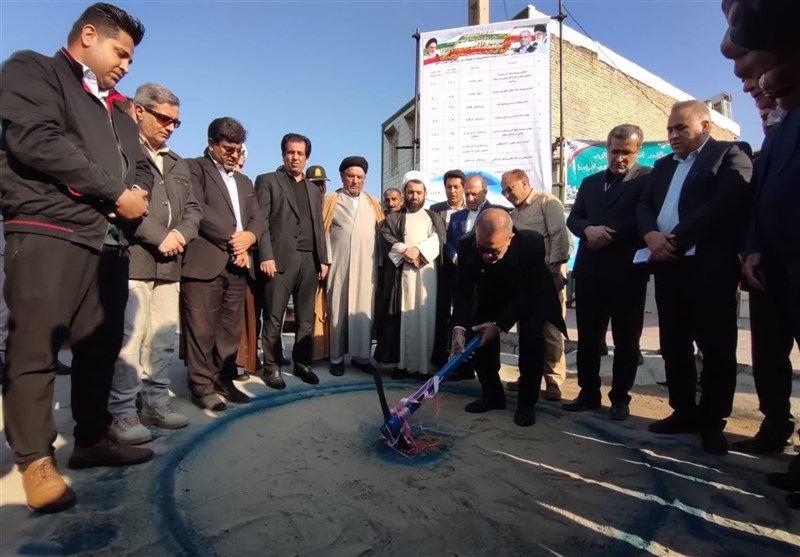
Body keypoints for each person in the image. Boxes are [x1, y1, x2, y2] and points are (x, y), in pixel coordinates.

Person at [0, 2, 152, 512]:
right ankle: (34, 458)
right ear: (88, 35)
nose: (126, 65)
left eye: (131, 59)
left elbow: (141, 168)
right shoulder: (34, 71)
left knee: (99, 347)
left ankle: (91, 439)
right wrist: (115, 191)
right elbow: (36, 141)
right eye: (121, 53)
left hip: (109, 241)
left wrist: (137, 193)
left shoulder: (119, 111)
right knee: (36, 346)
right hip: (50, 228)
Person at [636, 99, 753, 455]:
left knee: (716, 347)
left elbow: (724, 203)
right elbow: (643, 205)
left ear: (705, 126)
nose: (672, 135)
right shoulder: (662, 166)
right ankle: (683, 411)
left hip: (708, 268)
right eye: (669, 129)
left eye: (680, 128)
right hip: (667, 266)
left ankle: (712, 421)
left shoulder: (730, 154)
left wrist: (676, 239)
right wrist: (651, 236)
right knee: (674, 344)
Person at [720, 0, 800, 505]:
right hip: (768, 272)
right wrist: (750, 250)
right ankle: (775, 426)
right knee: (769, 355)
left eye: (759, 79)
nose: (755, 86)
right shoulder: (775, 134)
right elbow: (760, 202)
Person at [108, 83, 201, 443]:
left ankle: (156, 403)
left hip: (170, 264)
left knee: (162, 339)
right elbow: (120, 204)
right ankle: (123, 412)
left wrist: (179, 235)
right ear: (140, 111)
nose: (170, 127)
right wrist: (158, 236)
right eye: (164, 118)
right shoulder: (123, 152)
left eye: (176, 122)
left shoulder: (177, 163)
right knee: (130, 340)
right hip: (135, 260)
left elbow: (192, 209)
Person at [564, 124, 652, 420]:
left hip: (628, 274)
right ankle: (588, 393)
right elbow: (575, 218)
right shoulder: (590, 183)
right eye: (614, 152)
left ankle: (620, 398)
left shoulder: (648, 179)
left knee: (626, 340)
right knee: (589, 339)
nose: (619, 158)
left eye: (626, 152)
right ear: (607, 150)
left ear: (637, 151)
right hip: (590, 272)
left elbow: (646, 218)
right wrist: (588, 229)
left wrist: (609, 233)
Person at [451, 209, 565, 426]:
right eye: (482, 249)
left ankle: (527, 403)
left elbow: (528, 294)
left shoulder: (531, 244)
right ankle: (492, 395)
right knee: (477, 332)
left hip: (529, 295)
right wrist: (459, 328)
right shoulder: (466, 245)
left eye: (494, 251)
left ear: (510, 239)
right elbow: (463, 291)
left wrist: (498, 325)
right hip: (493, 293)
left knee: (532, 339)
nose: (486, 256)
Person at [181, 117, 264, 412]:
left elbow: (258, 217)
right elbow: (198, 209)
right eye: (229, 149)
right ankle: (201, 387)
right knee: (201, 330)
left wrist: (250, 237)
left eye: (239, 150)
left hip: (238, 267)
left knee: (229, 330)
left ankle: (223, 379)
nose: (234, 155)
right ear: (211, 144)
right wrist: (235, 241)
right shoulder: (193, 168)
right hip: (205, 262)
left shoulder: (244, 181)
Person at [255, 133, 329, 389]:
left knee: (305, 318)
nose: (295, 157)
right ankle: (272, 367)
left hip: (310, 260)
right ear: (283, 154)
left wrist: (323, 259)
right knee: (274, 317)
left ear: (307, 157)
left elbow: (318, 227)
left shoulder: (313, 189)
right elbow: (261, 222)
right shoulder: (268, 181)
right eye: (290, 152)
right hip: (279, 259)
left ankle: (302, 363)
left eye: (300, 153)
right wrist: (266, 255)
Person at [502, 169, 573, 401]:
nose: (507, 195)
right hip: (524, 279)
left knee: (550, 329)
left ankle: (553, 380)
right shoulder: (513, 213)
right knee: (526, 331)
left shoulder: (547, 202)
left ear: (524, 183)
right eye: (504, 192)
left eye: (510, 189)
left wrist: (555, 272)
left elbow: (559, 237)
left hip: (549, 276)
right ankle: (528, 376)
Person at [375, 171, 446, 379]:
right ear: (405, 193)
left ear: (425, 193)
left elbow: (439, 239)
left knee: (425, 317)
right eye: (411, 192)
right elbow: (386, 237)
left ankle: (424, 367)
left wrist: (419, 251)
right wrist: (407, 252)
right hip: (403, 274)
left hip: (426, 276)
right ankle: (403, 365)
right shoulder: (394, 217)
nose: (414, 196)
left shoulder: (433, 217)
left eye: (418, 192)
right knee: (403, 317)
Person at [322, 156, 384, 376]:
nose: (355, 181)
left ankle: (361, 357)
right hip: (338, 265)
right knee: (338, 309)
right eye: (350, 176)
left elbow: (381, 235)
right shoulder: (332, 200)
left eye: (359, 177)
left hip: (367, 268)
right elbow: (322, 233)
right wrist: (324, 261)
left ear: (364, 178)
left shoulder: (373, 202)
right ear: (342, 176)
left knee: (363, 309)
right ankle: (336, 358)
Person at [445, 174, 493, 266]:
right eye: (467, 194)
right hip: (460, 271)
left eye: (474, 194)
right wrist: (455, 258)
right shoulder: (455, 217)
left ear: (485, 192)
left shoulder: (496, 214)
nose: (470, 199)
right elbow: (449, 241)